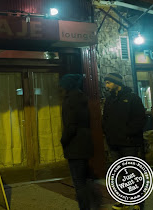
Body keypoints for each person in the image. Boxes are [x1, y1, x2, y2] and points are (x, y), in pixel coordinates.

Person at [102, 73, 146, 210]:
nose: (106, 86)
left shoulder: (132, 98)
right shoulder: (109, 100)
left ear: (117, 83)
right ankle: (123, 200)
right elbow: (105, 119)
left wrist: (128, 133)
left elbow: (140, 119)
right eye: (106, 83)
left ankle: (138, 201)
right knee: (119, 173)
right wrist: (108, 134)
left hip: (129, 143)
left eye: (109, 82)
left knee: (132, 172)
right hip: (114, 142)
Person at [59, 74, 97, 210]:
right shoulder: (82, 98)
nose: (61, 88)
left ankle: (85, 207)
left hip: (75, 144)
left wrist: (63, 140)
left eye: (62, 85)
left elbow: (71, 126)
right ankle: (91, 205)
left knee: (79, 181)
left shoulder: (70, 101)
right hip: (85, 142)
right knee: (85, 179)